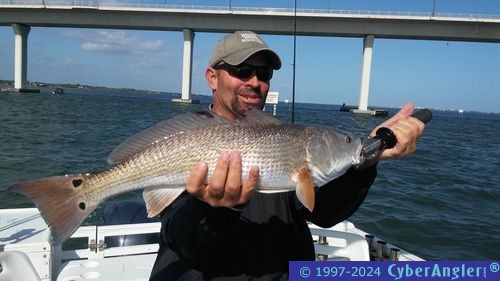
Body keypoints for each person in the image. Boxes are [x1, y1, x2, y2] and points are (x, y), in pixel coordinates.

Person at [149, 31, 425, 280]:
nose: (255, 82)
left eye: (264, 74)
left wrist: (368, 161)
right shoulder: (184, 141)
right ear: (212, 77)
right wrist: (210, 208)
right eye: (242, 71)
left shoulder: (285, 137)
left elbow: (323, 214)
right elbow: (179, 239)